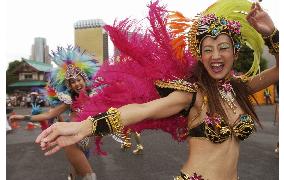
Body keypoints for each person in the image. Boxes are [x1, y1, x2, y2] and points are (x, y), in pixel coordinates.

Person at [35, 1, 278, 179]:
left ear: (235, 53)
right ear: (200, 56)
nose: (215, 55)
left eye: (223, 47)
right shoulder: (192, 93)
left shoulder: (238, 89)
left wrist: (272, 35)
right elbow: (141, 110)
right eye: (208, 49)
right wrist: (82, 126)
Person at [10, 46, 99, 180]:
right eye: (72, 82)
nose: (76, 84)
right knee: (88, 175)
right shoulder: (69, 101)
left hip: (87, 138)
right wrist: (23, 117)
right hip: (71, 138)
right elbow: (48, 115)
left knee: (77, 168)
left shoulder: (97, 97)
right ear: (69, 86)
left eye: (78, 79)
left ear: (85, 79)